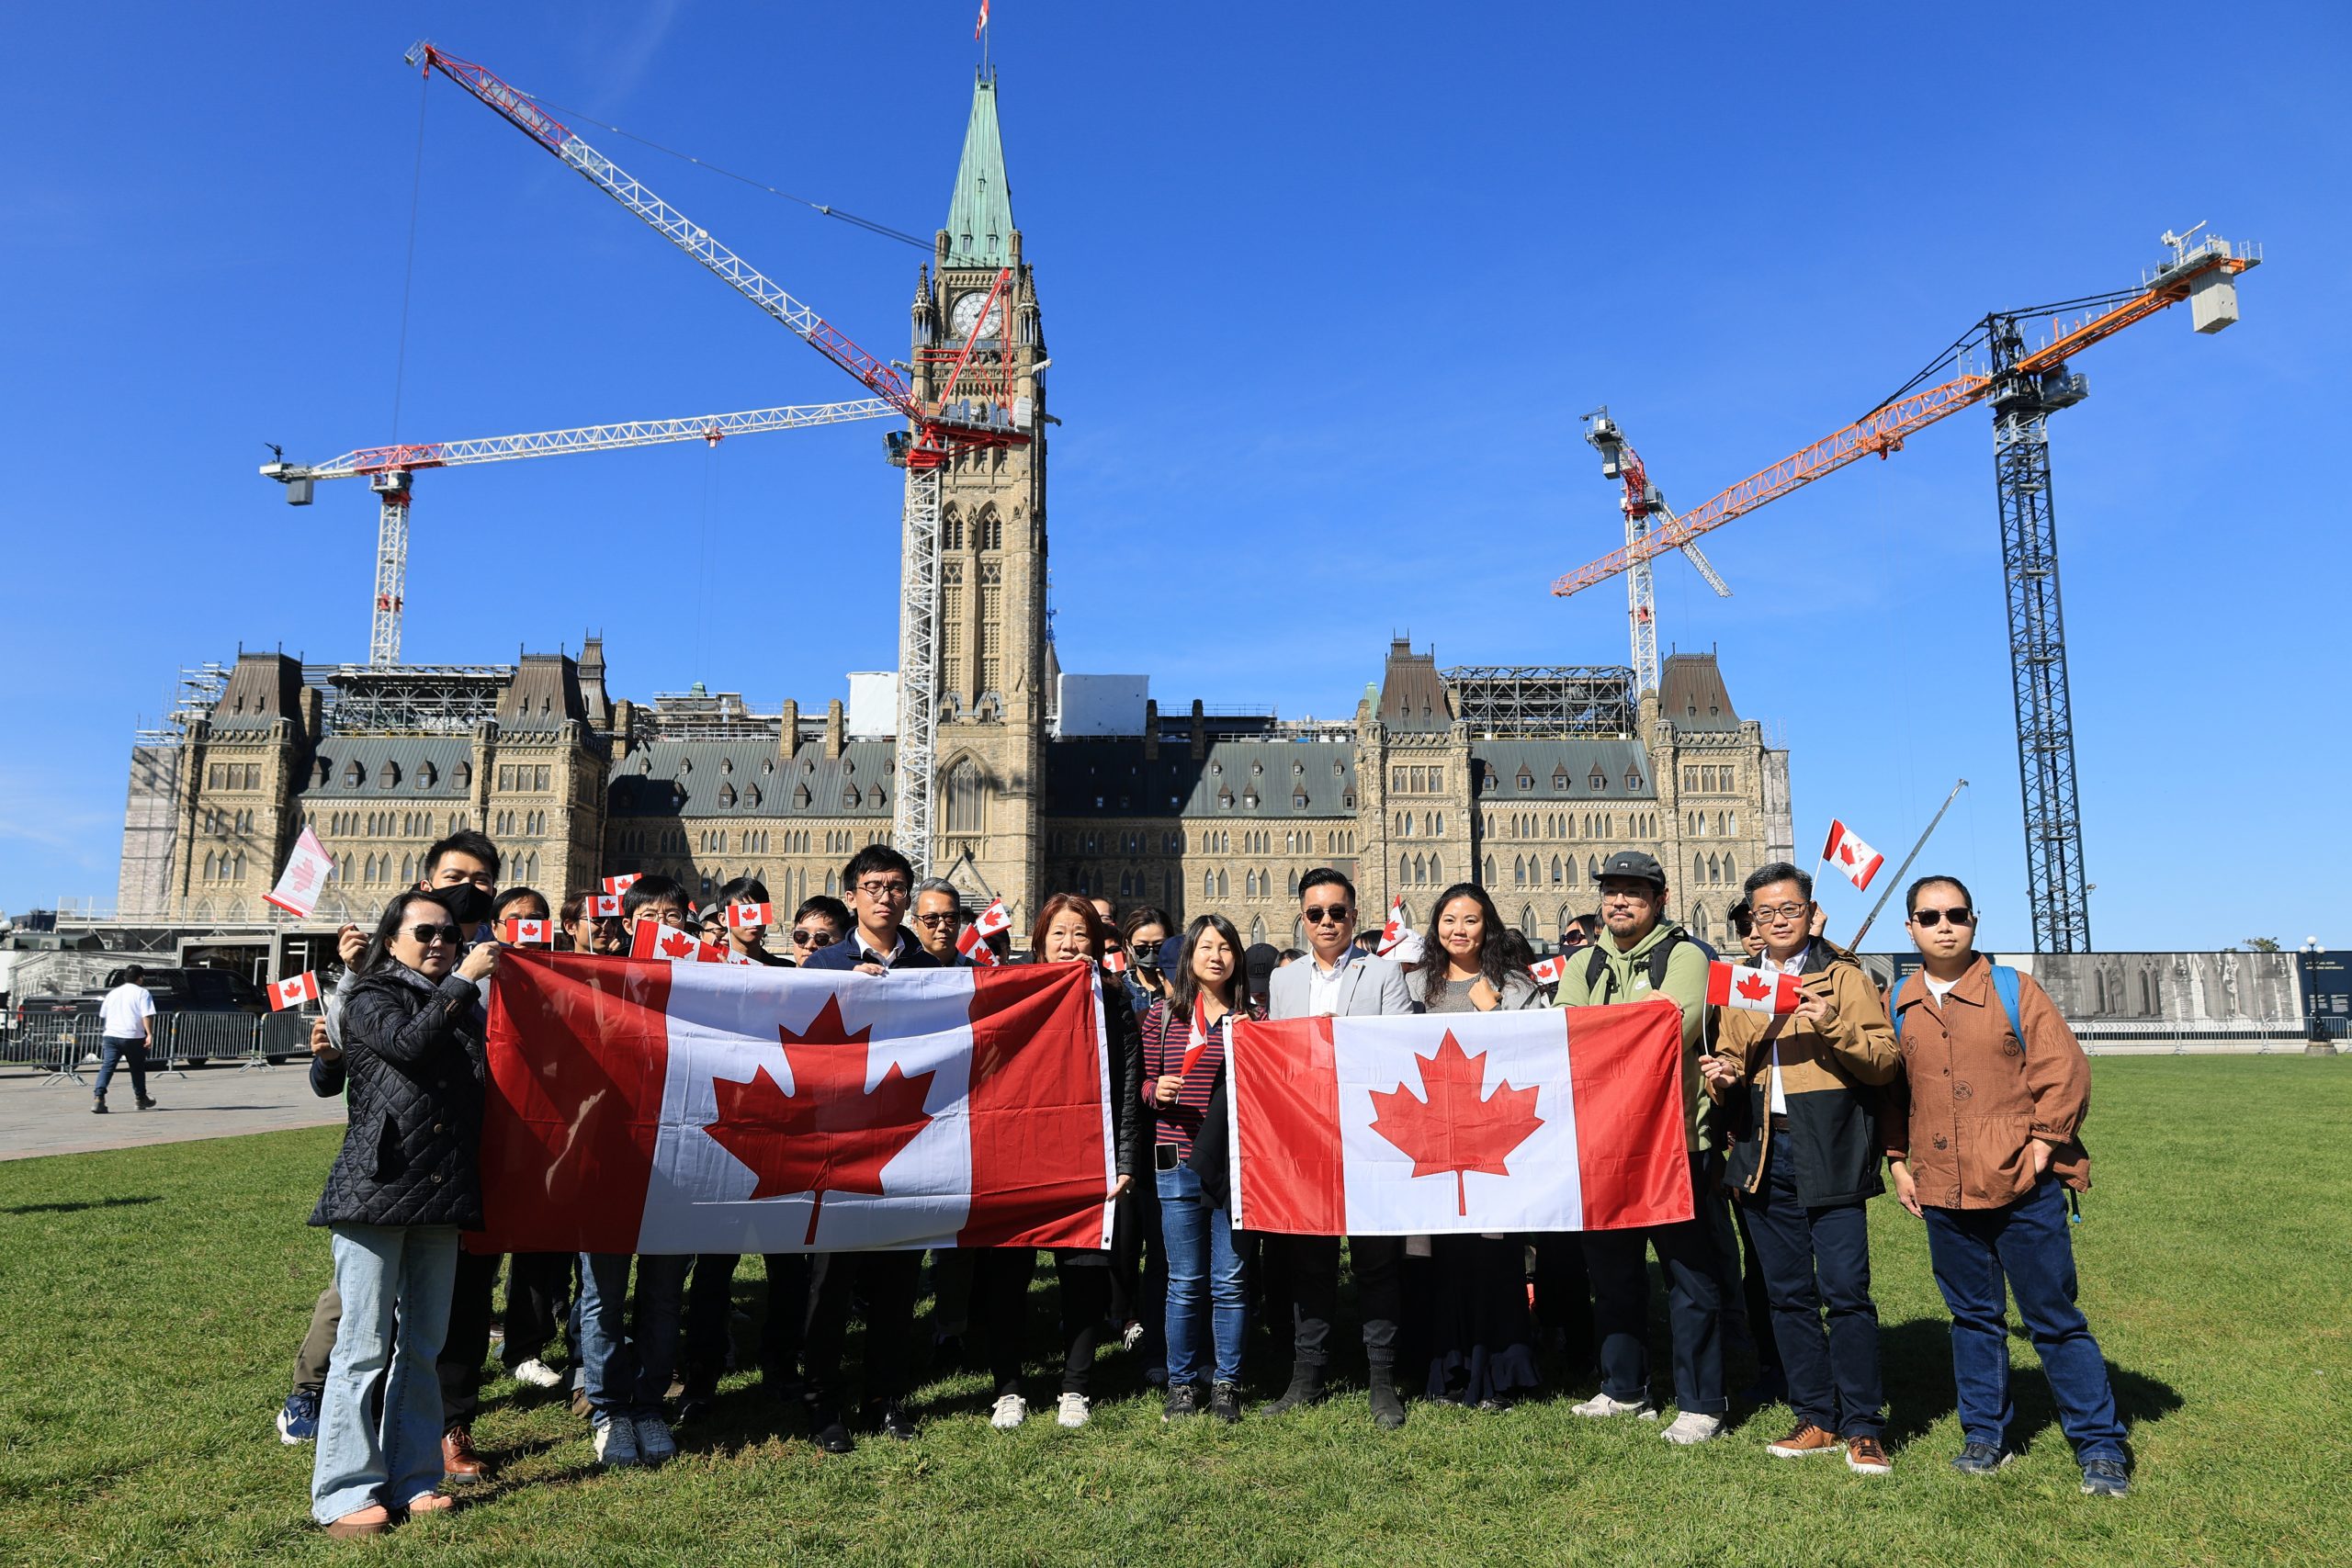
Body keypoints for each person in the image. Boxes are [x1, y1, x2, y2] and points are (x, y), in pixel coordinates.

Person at [1883, 874, 2130, 1497]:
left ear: (1974, 920)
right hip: (1942, 1188)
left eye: (1956, 913)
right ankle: (1985, 1435)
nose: (1945, 924)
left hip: (2024, 1187)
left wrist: (2044, 1143)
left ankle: (2100, 1444)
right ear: (1910, 927)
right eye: (1930, 915)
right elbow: (1891, 1093)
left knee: (2053, 1318)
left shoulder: (2013, 989)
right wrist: (1896, 1161)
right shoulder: (1901, 1001)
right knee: (1973, 1319)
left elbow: (2064, 1069)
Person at [276, 831, 503, 1461]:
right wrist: (459, 977)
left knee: (433, 1325)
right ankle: (321, 1414)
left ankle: (424, 1454)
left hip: (455, 1169)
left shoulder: (493, 950)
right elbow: (379, 1053)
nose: (470, 888)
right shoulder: (380, 981)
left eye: (483, 878)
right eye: (458, 875)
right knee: (360, 1316)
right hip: (388, 1172)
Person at [306, 888, 497, 1537]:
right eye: (424, 931)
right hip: (379, 1186)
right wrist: (466, 984)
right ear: (392, 940)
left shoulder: (466, 1004)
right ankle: (343, 1489)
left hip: (442, 1189)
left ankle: (415, 1477)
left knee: (420, 1344)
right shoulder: (369, 995)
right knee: (363, 1345)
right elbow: (409, 1047)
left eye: (448, 931)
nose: (440, 941)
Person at [1702, 863, 1898, 1476]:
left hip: (1830, 1145)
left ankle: (1864, 1423)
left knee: (1846, 1293)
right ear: (1752, 921)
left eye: (1788, 909)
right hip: (1766, 1151)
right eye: (1765, 912)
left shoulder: (1843, 976)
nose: (1777, 920)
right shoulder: (1742, 984)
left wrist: (1830, 1021)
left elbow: (1884, 1060)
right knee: (1787, 1295)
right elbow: (1731, 1061)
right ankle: (1815, 1414)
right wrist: (1724, 1076)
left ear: (1810, 913)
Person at [1550, 850, 1727, 1445]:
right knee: (1614, 1272)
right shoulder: (1584, 959)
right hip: (1601, 1140)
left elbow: (1671, 1023)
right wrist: (1625, 1023)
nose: (1619, 900)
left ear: (1660, 900)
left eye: (1634, 891)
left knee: (1688, 1276)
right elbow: (1561, 1029)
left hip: (1674, 1140)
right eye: (1612, 891)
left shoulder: (1687, 955)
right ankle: (1625, 1387)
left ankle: (1702, 1400)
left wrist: (1603, 1030)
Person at [980, 896, 1142, 1431]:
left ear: (1096, 944)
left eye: (1081, 935)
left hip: (1085, 1156)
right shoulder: (1010, 993)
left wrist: (1124, 1159)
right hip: (1017, 1155)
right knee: (1006, 1278)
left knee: (1083, 1277)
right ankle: (1008, 1388)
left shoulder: (1116, 1001)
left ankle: (1075, 1387)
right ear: (1039, 942)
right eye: (1060, 935)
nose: (1071, 945)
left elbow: (1126, 1086)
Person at [1263, 869, 1416, 1429]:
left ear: (1355, 915)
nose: (1326, 922)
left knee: (1377, 1262)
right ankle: (1307, 1375)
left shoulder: (1384, 973)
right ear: (1302, 919)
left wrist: (1339, 1035)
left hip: (1371, 1136)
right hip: (1309, 1139)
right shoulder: (1284, 982)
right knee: (1312, 1265)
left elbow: (1401, 1048)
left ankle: (1382, 1379)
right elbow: (1276, 1057)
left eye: (1337, 912)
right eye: (1315, 913)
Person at [796, 847, 936, 1451]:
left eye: (897, 886)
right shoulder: (824, 963)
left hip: (905, 1142)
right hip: (837, 1144)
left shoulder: (929, 966)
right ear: (851, 894)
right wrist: (837, 993)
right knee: (830, 1282)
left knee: (897, 1280)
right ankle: (822, 1400)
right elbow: (791, 1044)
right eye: (873, 885)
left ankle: (884, 1395)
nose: (885, 896)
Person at [572, 874, 696, 1470]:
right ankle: (607, 1407)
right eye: (651, 914)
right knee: (603, 1295)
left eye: (673, 914)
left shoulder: (703, 984)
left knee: (664, 1293)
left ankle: (648, 1402)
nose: (663, 924)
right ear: (626, 923)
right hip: (610, 1161)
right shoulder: (596, 982)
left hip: (679, 1160)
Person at [1415, 885, 1543, 1410]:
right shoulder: (1415, 986)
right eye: (1449, 920)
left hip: (1493, 1143)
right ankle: (1447, 1368)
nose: (1459, 930)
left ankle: (1498, 1373)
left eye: (1470, 920)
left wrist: (1492, 1010)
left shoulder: (1512, 984)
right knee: (1442, 1262)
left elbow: (1535, 1050)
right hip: (1434, 1144)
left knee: (1493, 1259)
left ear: (1487, 926)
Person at [1141, 914, 1255, 1422]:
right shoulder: (1161, 1018)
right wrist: (1156, 1091)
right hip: (1176, 1158)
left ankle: (1227, 1382)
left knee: (1230, 1279)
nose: (1216, 956)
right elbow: (1143, 1086)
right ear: (1189, 958)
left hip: (1234, 1162)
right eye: (1206, 947)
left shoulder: (1254, 1020)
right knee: (1184, 1280)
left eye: (1226, 947)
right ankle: (1182, 1384)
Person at [91, 964, 158, 1114]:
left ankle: (98, 1097)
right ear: (140, 978)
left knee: (107, 1067)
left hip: (111, 1035)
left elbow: (104, 1014)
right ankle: (140, 1098)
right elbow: (146, 1014)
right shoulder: (142, 993)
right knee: (137, 1068)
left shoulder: (113, 993)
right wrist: (149, 1034)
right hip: (133, 1035)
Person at [910, 879, 970, 965]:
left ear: (959, 922)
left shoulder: (982, 975)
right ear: (914, 923)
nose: (942, 927)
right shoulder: (898, 974)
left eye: (950, 917)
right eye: (931, 918)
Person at [786, 896, 851, 965]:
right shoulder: (776, 973)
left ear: (843, 941)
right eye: (801, 936)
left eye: (822, 938)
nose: (809, 945)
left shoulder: (856, 974)